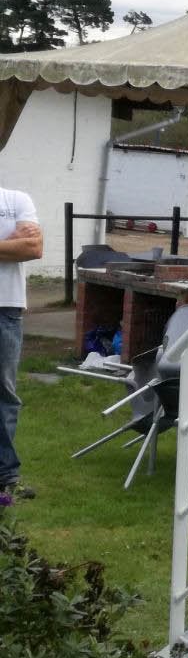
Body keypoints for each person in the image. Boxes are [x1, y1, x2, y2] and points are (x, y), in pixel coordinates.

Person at [0, 184, 42, 506]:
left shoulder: (15, 200)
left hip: (6, 309)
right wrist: (7, 244)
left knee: (5, 395)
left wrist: (21, 245)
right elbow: (19, 247)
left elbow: (34, 248)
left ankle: (6, 478)